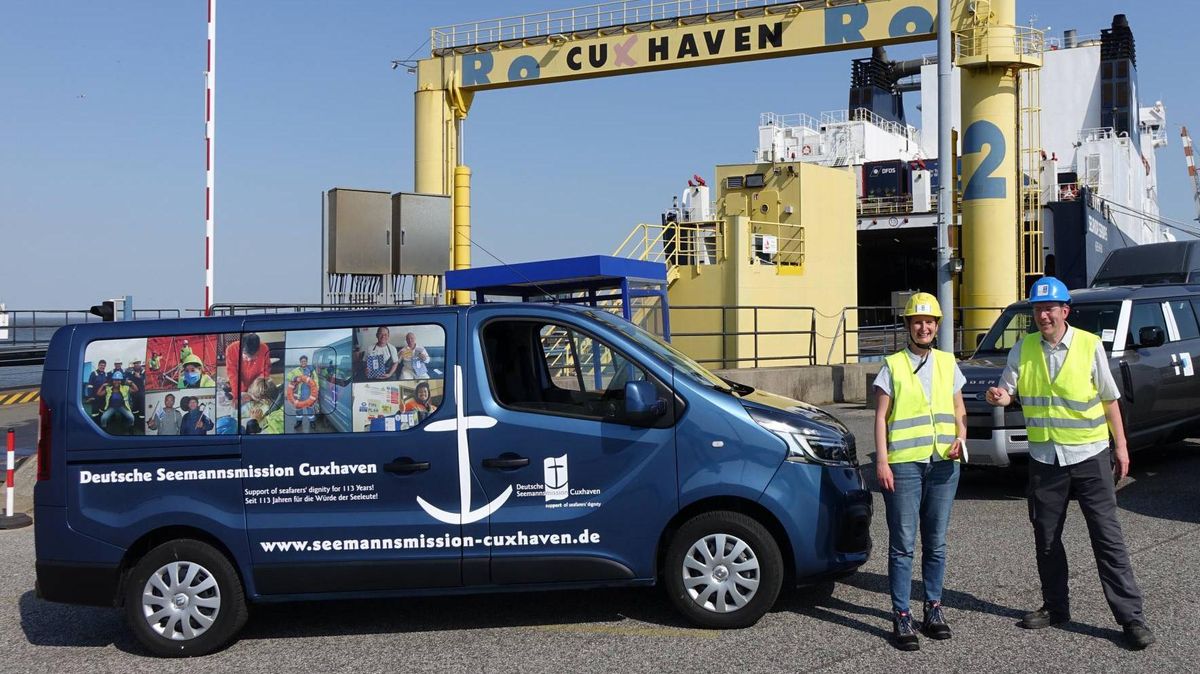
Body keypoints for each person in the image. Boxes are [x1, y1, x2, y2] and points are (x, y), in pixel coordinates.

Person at [986, 276, 1154, 649]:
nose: (1044, 315)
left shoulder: (1089, 346)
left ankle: (1131, 620)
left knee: (1107, 539)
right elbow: (1007, 392)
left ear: (1065, 310)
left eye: (1050, 308)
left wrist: (1121, 447)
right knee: (1046, 538)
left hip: (1090, 455)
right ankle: (1056, 607)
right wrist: (998, 396)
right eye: (1038, 309)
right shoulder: (1023, 348)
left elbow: (1110, 399)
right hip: (1045, 459)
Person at [872, 292, 966, 651]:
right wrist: (882, 460)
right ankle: (901, 614)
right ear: (908, 326)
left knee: (937, 543)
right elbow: (880, 417)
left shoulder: (947, 362)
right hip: (904, 465)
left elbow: (959, 410)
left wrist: (961, 436)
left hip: (944, 463)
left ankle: (933, 608)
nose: (923, 327)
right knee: (903, 545)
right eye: (917, 322)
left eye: (929, 322)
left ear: (937, 326)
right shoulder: (892, 365)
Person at [225, 333, 271, 398]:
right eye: (246, 356)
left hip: (255, 385)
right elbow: (232, 374)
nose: (249, 360)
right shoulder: (231, 349)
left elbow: (265, 372)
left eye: (254, 357)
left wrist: (255, 389)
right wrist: (239, 393)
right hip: (238, 383)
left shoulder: (264, 349)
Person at [287, 355, 319, 431]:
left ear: (307, 362)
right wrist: (295, 378)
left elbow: (316, 380)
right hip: (298, 394)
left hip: (309, 394)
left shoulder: (311, 370)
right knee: (298, 409)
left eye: (305, 361)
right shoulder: (296, 370)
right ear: (300, 362)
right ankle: (299, 422)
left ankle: (312, 422)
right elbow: (288, 376)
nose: (303, 362)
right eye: (302, 361)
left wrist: (317, 390)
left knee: (310, 408)